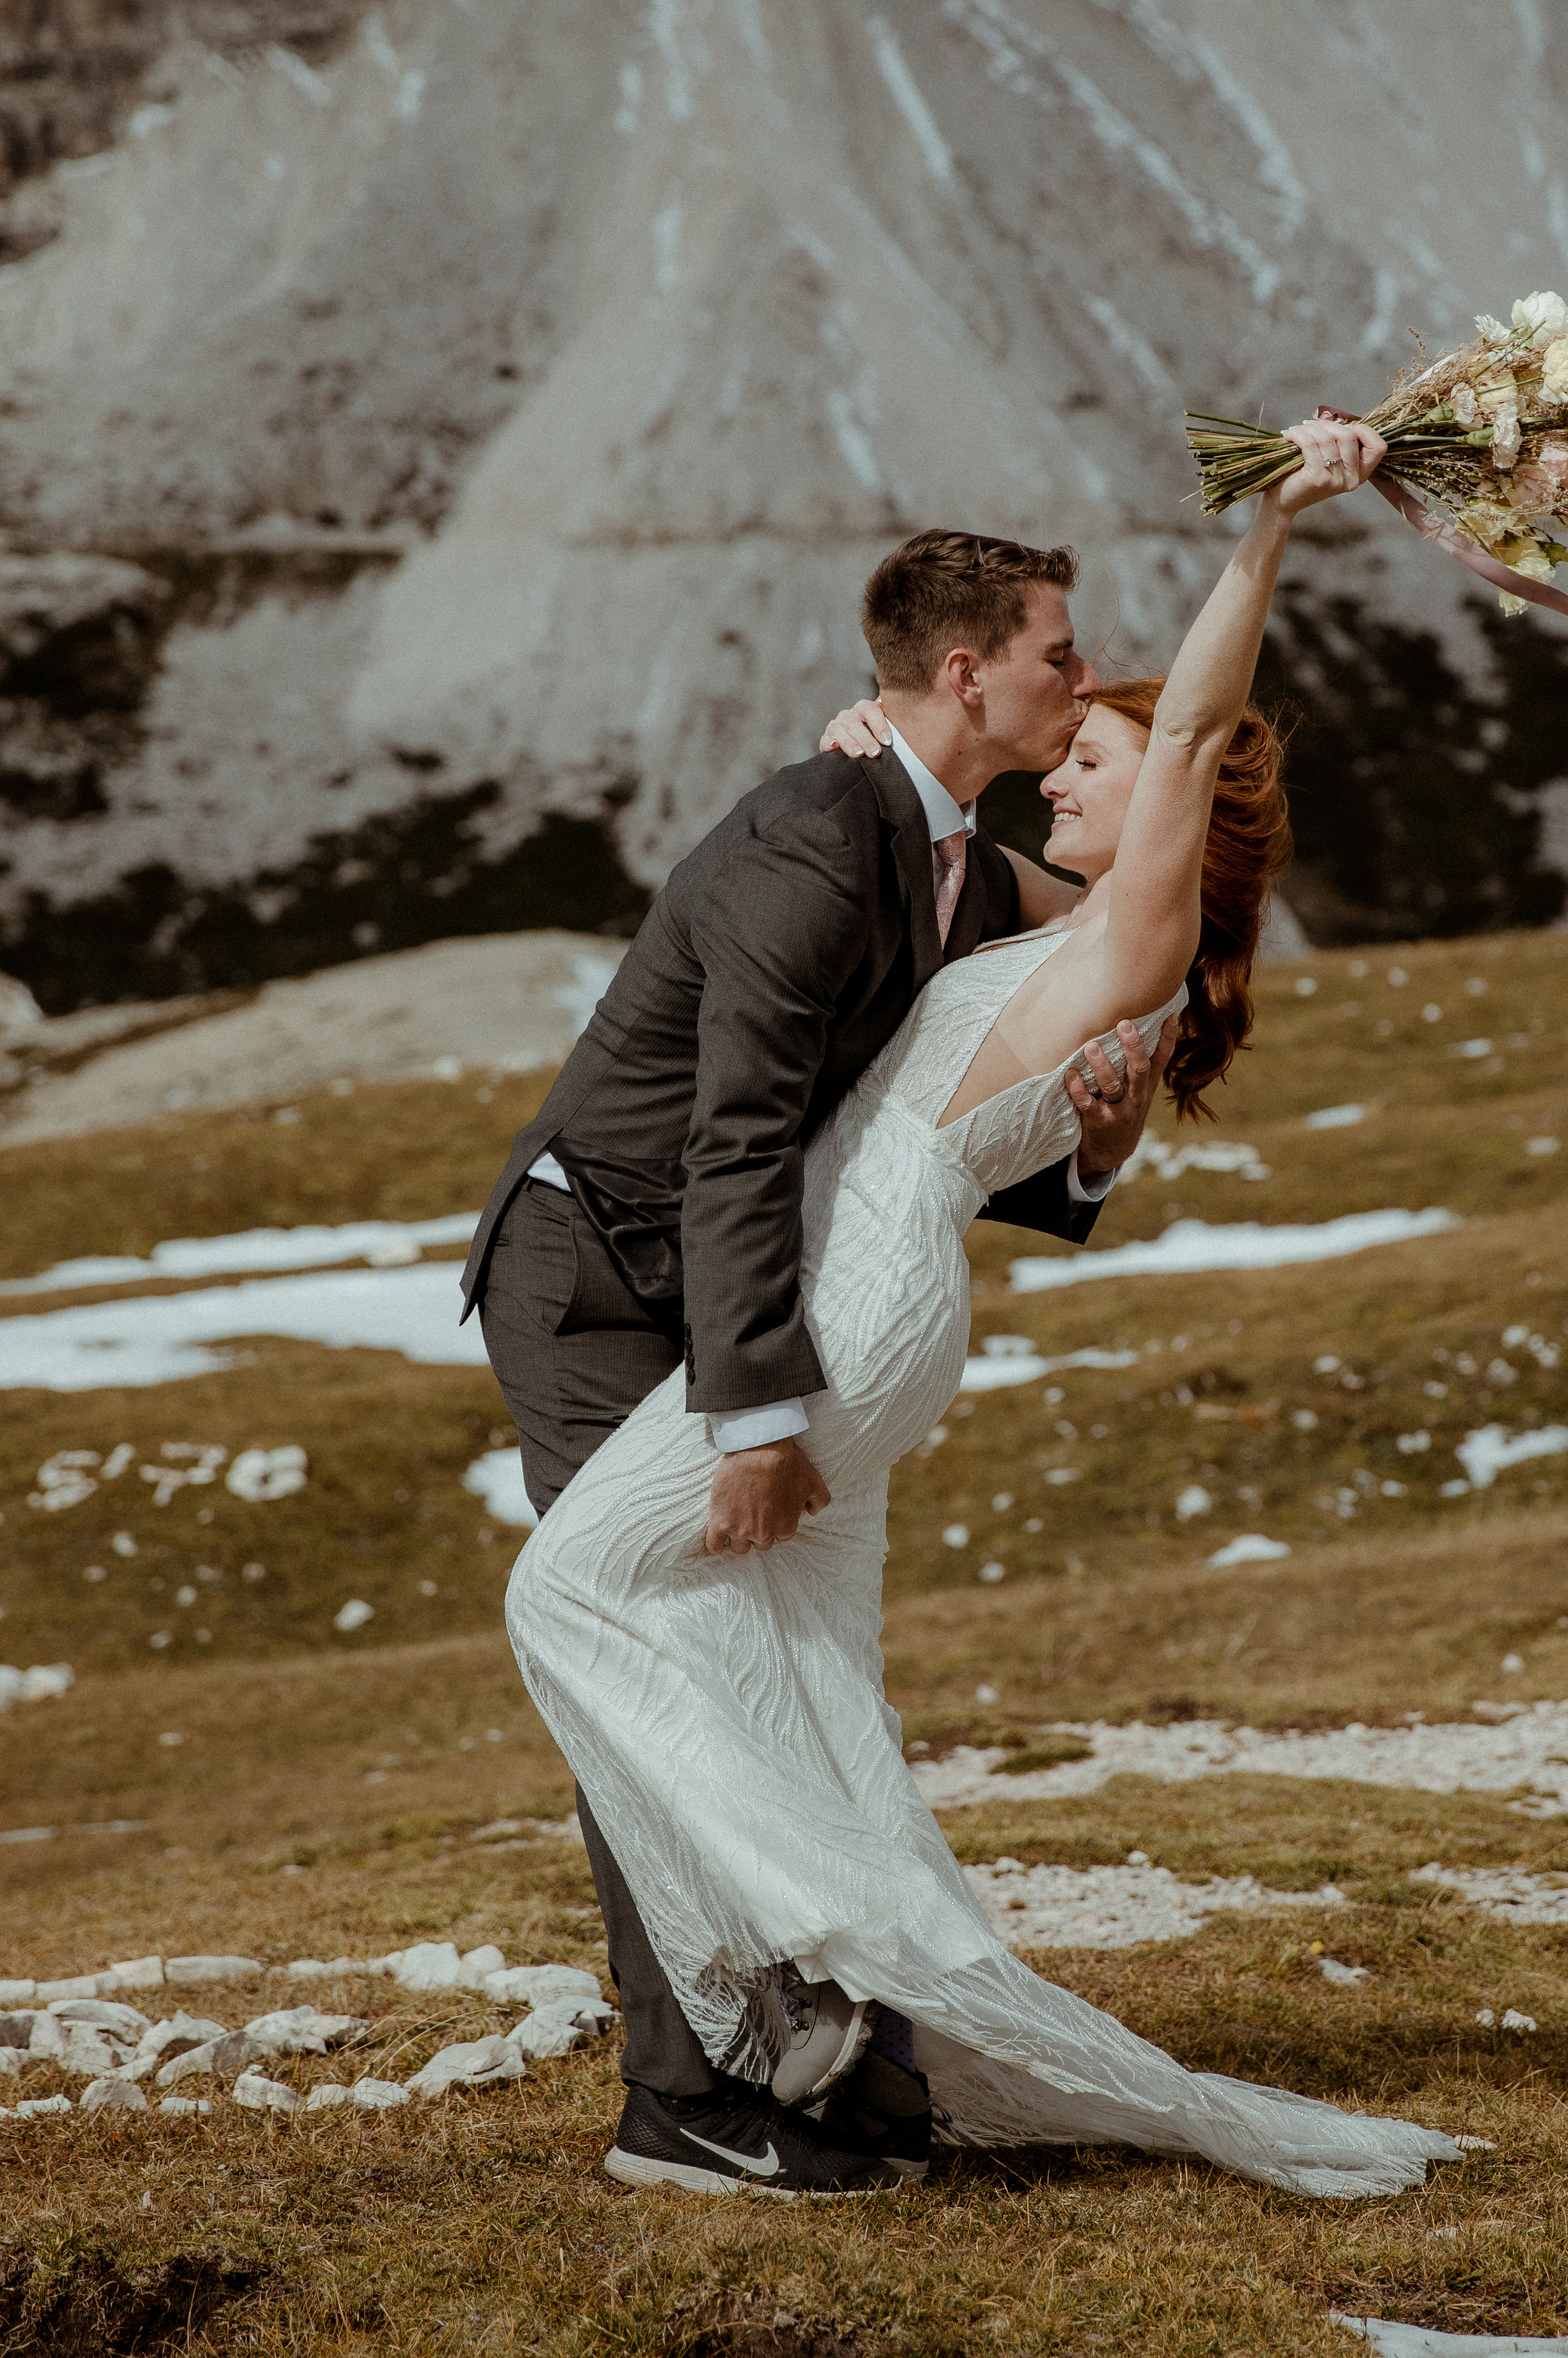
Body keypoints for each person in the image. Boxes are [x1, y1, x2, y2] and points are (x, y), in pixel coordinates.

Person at [505, 412, 1462, 2200]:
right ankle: (851, 2035)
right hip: (861, 1293)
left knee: (563, 1589)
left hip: (854, 1309)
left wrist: (1265, 527)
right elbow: (913, 873)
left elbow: (1185, 725)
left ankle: (811, 1964)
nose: (1075, 756)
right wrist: (873, 760)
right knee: (800, 1676)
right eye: (1059, 714)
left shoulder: (1134, 932)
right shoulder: (1047, 919)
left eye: (1096, 748)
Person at [464, 529, 1170, 2196]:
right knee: (652, 1647)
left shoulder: (941, 847)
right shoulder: (811, 838)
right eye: (1057, 658)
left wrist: (1097, 1138)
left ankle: (834, 2054)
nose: (1078, 680)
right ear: (965, 673)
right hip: (596, 1272)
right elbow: (735, 1141)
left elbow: (1109, 927)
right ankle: (684, 2101)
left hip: (712, 1271)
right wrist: (756, 1415)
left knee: (761, 1663)